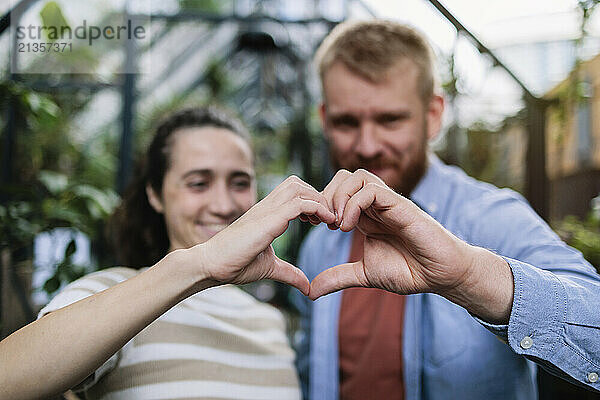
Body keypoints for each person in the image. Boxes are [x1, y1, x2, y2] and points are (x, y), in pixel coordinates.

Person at [293, 20, 600, 399]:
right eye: (347, 122)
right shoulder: (319, 245)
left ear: (434, 114)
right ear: (324, 119)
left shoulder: (491, 217)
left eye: (390, 119)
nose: (368, 145)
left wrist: (469, 275)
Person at [0, 106, 336, 400]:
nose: (223, 205)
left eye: (239, 182)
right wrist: (200, 265)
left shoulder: (268, 322)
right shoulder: (110, 293)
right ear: (156, 195)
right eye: (198, 183)